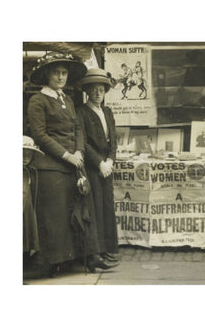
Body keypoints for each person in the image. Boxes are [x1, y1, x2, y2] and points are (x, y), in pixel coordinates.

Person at [27, 52, 116, 276]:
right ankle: (54, 261)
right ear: (48, 75)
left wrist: (78, 151)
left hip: (75, 163)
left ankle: (91, 257)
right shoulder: (38, 100)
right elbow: (40, 135)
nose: (60, 77)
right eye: (56, 73)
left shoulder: (67, 99)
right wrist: (67, 155)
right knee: (56, 216)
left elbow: (77, 128)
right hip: (52, 166)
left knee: (84, 212)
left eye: (64, 73)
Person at [76, 68, 121, 265]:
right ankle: (97, 251)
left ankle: (109, 248)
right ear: (87, 91)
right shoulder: (82, 112)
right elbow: (83, 142)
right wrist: (99, 163)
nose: (97, 93)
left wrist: (110, 160)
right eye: (93, 89)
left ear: (105, 92)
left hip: (106, 165)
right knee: (95, 207)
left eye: (101, 90)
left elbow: (114, 139)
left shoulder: (108, 112)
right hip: (93, 165)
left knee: (107, 205)